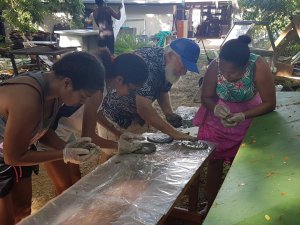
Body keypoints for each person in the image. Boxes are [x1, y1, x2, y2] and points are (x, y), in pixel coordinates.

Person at [0, 51, 105, 225]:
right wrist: (63, 153)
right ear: (67, 83)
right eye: (83, 96)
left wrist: (70, 145)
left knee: (23, 210)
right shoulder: (28, 99)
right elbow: (13, 157)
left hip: (14, 146)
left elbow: (41, 131)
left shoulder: (55, 94)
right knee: (5, 220)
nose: (83, 103)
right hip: (9, 153)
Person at [41, 49, 149, 195]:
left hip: (66, 132)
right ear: (119, 79)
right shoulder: (98, 89)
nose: (130, 93)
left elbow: (94, 112)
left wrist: (117, 132)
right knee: (65, 189)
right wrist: (121, 146)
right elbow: (89, 138)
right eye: (131, 89)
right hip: (50, 136)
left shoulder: (102, 85)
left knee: (75, 181)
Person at [193, 35, 276, 215]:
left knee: (243, 164)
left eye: (231, 73)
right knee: (214, 160)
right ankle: (211, 205)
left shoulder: (258, 66)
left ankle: (242, 206)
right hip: (220, 116)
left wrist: (242, 116)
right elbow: (206, 96)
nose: (226, 75)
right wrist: (215, 109)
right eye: (223, 70)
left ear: (244, 67)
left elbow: (270, 103)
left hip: (250, 114)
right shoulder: (216, 66)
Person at [98, 38, 200, 160]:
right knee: (112, 159)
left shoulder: (169, 66)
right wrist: (174, 133)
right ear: (171, 55)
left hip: (136, 119)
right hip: (114, 117)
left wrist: (168, 113)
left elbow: (162, 89)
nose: (184, 72)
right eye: (183, 66)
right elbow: (144, 108)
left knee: (136, 158)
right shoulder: (148, 64)